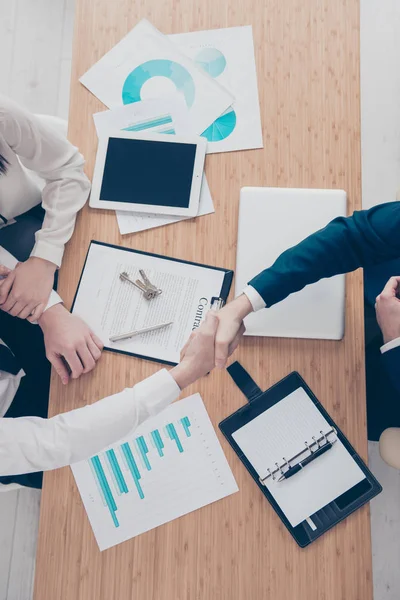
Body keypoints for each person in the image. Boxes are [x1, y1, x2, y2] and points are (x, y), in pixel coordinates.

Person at [201, 201, 400, 458]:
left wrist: (394, 339)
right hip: (378, 294)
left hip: (389, 383)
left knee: (340, 413)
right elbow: (352, 236)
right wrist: (241, 305)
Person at [0, 94, 104, 489]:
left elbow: (68, 169)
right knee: (61, 474)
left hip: (29, 230)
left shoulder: (3, 116)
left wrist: (44, 264)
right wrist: (49, 310)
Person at [0, 311, 220, 482]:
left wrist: (50, 311)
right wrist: (184, 374)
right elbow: (59, 441)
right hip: (17, 419)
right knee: (76, 481)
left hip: (11, 331)